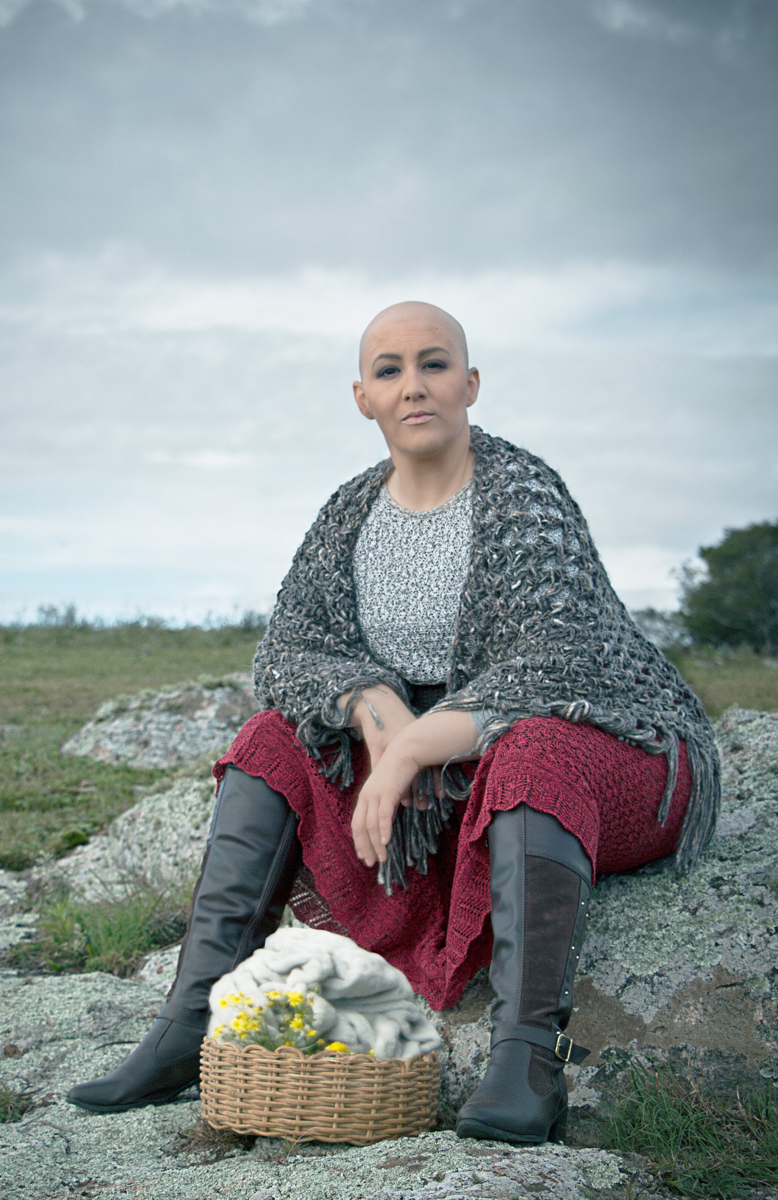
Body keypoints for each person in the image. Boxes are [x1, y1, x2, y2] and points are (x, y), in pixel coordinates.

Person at [68, 301, 719, 1144]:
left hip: (615, 753)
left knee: (531, 750)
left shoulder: (524, 498)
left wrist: (412, 744)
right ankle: (187, 1031)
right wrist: (376, 710)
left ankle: (528, 1062)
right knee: (270, 736)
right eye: (390, 370)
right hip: (454, 779)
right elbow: (288, 655)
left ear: (471, 383)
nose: (414, 386)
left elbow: (556, 666)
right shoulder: (347, 516)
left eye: (435, 364)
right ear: (362, 397)